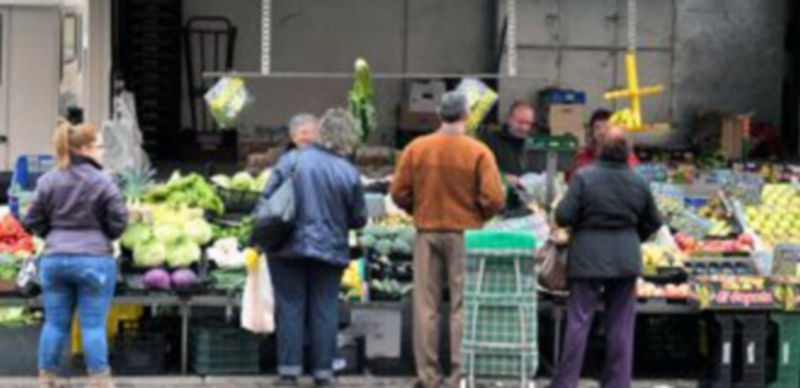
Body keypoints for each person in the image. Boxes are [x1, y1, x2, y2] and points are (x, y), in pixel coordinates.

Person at [391, 91, 506, 388]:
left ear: (439, 115)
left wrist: (417, 209)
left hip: (427, 232)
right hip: (466, 234)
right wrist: (479, 215)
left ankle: (428, 377)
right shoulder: (478, 152)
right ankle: (459, 377)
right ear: (467, 116)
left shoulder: (417, 148)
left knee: (426, 307)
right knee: (462, 306)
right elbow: (494, 198)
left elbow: (397, 193)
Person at [550, 127, 662, 388]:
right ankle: (617, 383)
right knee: (621, 326)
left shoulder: (584, 178)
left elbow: (563, 216)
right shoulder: (638, 181)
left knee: (578, 323)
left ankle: (566, 383)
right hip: (625, 257)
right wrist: (634, 237)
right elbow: (654, 221)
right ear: (628, 151)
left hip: (587, 257)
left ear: (598, 148)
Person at [263, 108, 367, 387]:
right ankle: (324, 374)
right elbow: (359, 218)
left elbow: (266, 200)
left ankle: (289, 372)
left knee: (291, 308)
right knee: (324, 310)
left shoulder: (291, 160)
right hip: (330, 250)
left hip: (287, 247)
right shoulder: (348, 171)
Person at [24, 119, 128, 388]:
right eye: (100, 146)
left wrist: (53, 236)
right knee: (92, 325)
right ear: (84, 148)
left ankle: (47, 378)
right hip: (95, 260)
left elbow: (32, 218)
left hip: (54, 259)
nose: (103, 151)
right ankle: (99, 381)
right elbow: (119, 219)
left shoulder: (48, 180)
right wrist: (105, 235)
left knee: (55, 324)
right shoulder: (104, 180)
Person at [481, 101, 536, 209]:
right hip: (498, 204)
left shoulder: (534, 144)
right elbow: (481, 171)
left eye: (528, 123)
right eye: (520, 122)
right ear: (509, 119)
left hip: (528, 204)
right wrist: (503, 177)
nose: (524, 128)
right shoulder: (491, 141)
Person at [566, 109, 639, 181]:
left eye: (606, 127)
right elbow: (572, 182)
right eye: (597, 128)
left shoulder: (627, 157)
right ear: (592, 132)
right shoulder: (582, 157)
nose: (602, 131)